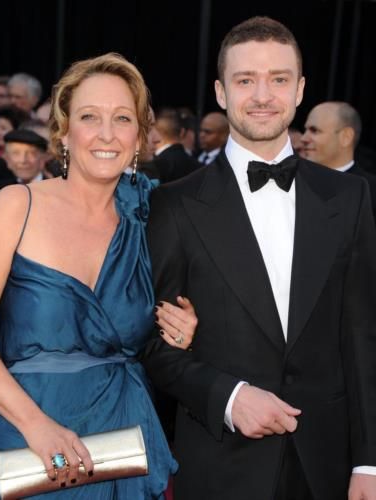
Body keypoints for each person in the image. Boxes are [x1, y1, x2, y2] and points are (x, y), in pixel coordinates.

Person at [143, 16, 376, 500]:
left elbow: (363, 338)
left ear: (300, 90)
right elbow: (153, 345)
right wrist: (228, 397)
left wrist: (369, 463)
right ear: (221, 92)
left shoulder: (350, 197)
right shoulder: (173, 203)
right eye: (245, 80)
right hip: (221, 464)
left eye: (279, 79)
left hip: (329, 466)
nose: (263, 95)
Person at [0, 52, 196, 499]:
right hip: (31, 444)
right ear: (64, 129)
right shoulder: (17, 205)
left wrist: (183, 330)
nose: (106, 134)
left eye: (122, 118)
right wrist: (36, 426)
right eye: (89, 117)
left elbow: (158, 324)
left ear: (139, 135)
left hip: (124, 442)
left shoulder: (150, 217)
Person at [301, 101, 376, 221]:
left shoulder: (370, 193)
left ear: (346, 137)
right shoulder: (291, 182)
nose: (303, 138)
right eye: (305, 130)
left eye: (314, 130)